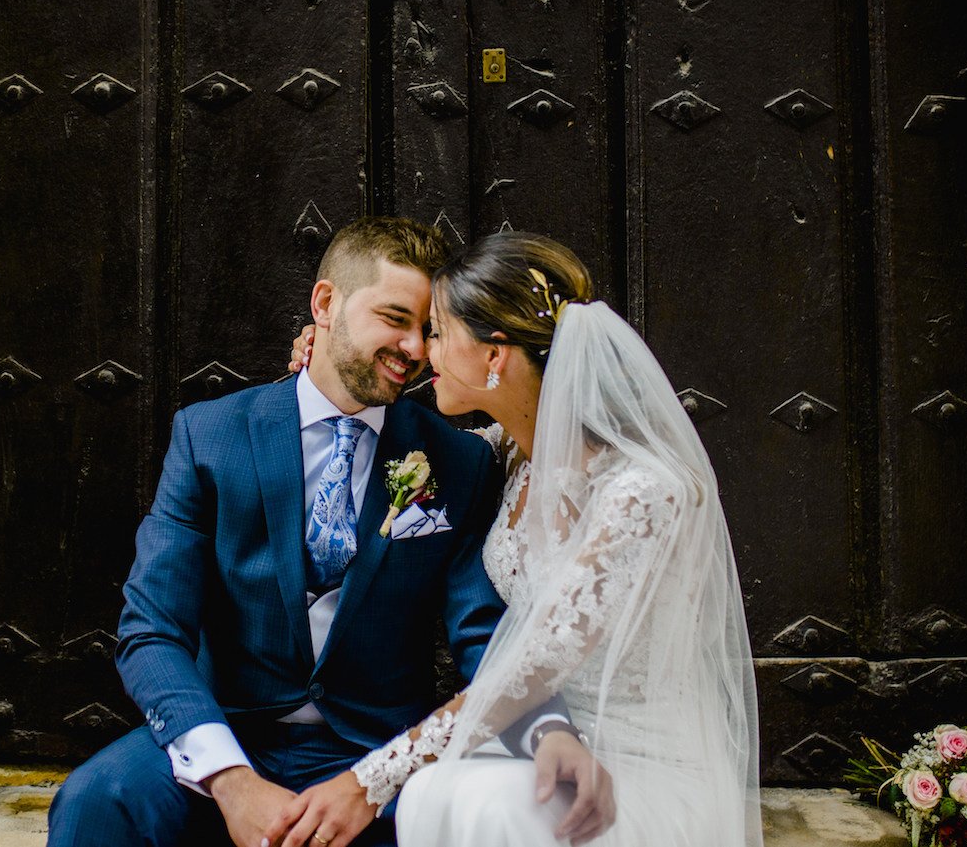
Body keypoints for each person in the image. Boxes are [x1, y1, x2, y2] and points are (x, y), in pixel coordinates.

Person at [47, 217, 610, 847]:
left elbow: (481, 630)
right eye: (393, 319)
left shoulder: (459, 461)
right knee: (96, 800)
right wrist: (231, 779)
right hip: (230, 732)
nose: (413, 349)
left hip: (375, 750)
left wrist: (547, 727)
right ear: (324, 304)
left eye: (427, 329)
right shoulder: (209, 436)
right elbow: (151, 629)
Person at [278, 232, 762, 847]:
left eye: (436, 332)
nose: (422, 352)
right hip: (540, 741)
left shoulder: (641, 493)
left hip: (635, 765)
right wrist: (326, 360)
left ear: (493, 355)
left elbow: (529, 668)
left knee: (468, 804)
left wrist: (367, 783)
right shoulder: (503, 455)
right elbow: (376, 451)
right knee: (439, 795)